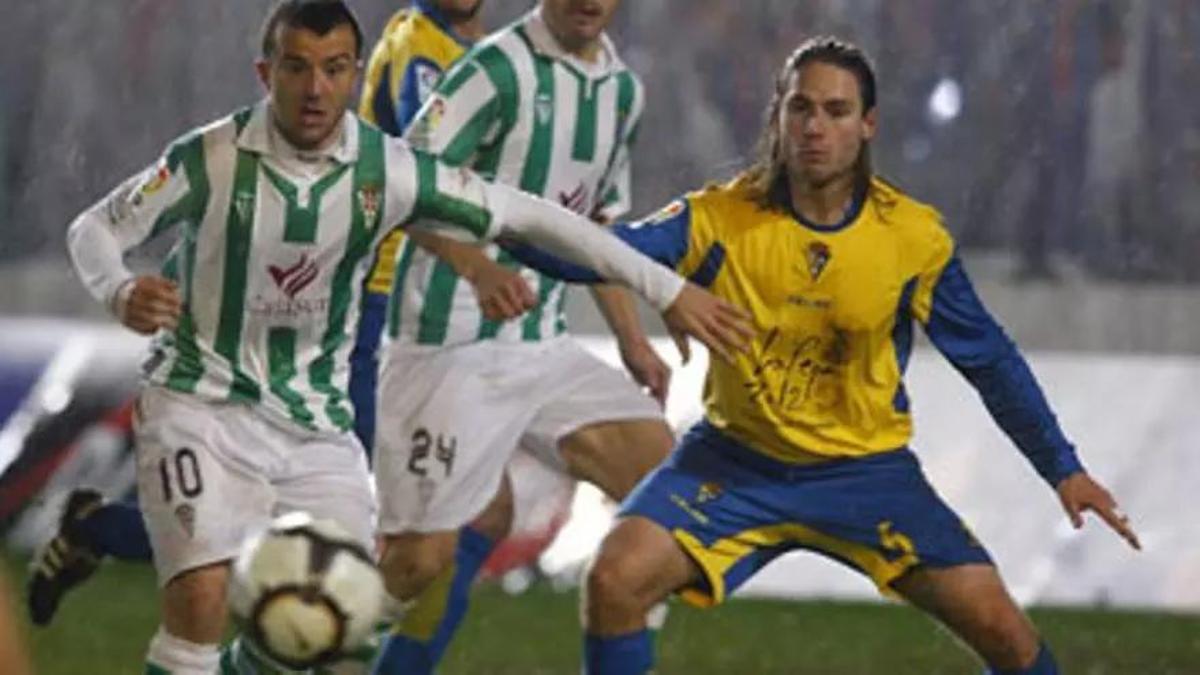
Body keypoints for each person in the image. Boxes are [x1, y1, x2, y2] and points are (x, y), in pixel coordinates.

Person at [62, 1, 749, 671]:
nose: (315, 89)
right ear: (265, 73)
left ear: (354, 75)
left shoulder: (386, 168)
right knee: (202, 598)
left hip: (314, 422)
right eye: (297, 68)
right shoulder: (211, 157)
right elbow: (94, 228)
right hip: (200, 399)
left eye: (334, 69)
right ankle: (113, 552)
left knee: (337, 623)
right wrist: (120, 289)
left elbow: (539, 219)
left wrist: (667, 292)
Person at [509, 37, 1140, 674]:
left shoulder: (911, 237)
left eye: (836, 112)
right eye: (800, 108)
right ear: (778, 116)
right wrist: (496, 212)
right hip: (735, 461)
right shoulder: (720, 217)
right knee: (613, 580)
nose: (815, 127)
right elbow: (594, 254)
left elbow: (990, 360)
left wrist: (1062, 468)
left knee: (1007, 636)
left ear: (867, 126)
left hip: (867, 474)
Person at [367, 1, 686, 672]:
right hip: (443, 345)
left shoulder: (622, 91)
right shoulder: (495, 70)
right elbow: (393, 180)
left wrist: (631, 337)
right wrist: (472, 263)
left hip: (542, 346)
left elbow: (594, 229)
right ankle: (287, 639)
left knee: (666, 484)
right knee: (417, 564)